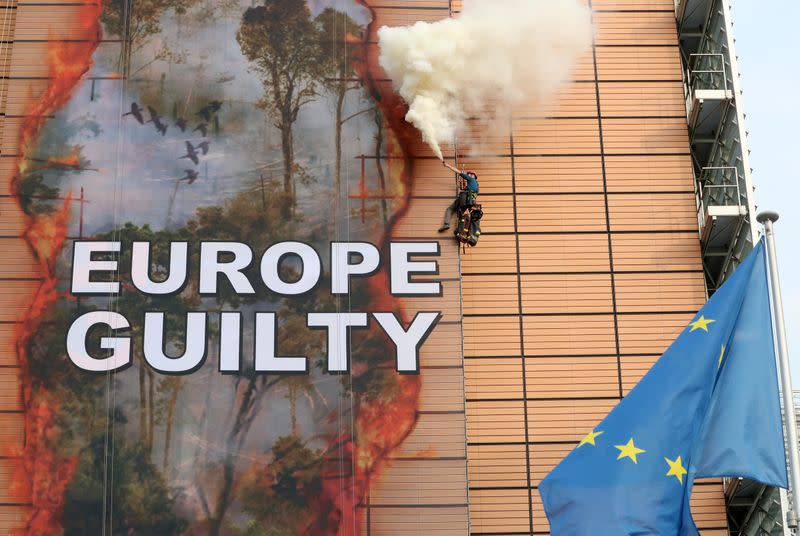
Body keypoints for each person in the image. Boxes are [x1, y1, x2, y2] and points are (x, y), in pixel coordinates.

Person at [439, 161, 479, 233]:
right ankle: (461, 231)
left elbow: (458, 172)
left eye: (470, 174)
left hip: (463, 199)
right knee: (463, 217)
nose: (468, 175)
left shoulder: (470, 179)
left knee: (450, 209)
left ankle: (446, 224)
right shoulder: (477, 186)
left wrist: (447, 165)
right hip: (470, 203)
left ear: (473, 176)